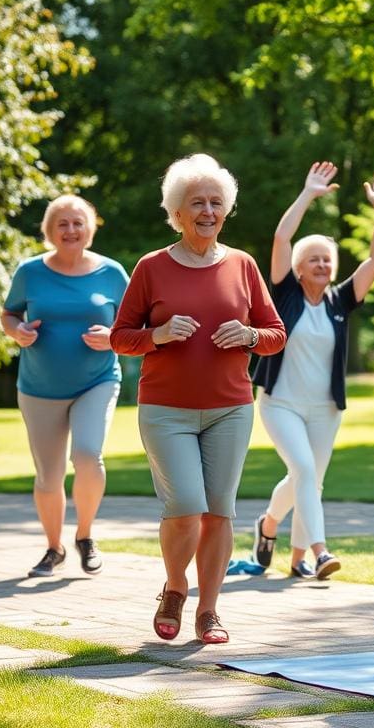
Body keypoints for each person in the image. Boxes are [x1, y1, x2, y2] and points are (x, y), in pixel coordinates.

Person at [110, 153, 285, 643]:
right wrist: (158, 334)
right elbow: (121, 336)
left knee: (218, 511)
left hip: (231, 407)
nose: (208, 211)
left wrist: (249, 335)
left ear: (225, 210)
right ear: (177, 212)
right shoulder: (151, 267)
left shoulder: (243, 265)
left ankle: (208, 611)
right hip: (166, 409)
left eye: (216, 202)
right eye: (197, 203)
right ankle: (173, 587)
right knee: (185, 504)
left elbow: (276, 334)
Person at [250, 162, 374, 579]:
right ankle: (319, 551)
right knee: (305, 471)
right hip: (280, 403)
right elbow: (281, 237)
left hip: (325, 409)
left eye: (327, 260)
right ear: (298, 268)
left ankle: (276, 535)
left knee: (307, 480)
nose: (322, 266)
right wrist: (308, 194)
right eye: (313, 260)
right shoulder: (285, 294)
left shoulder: (339, 301)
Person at [1, 195, 129, 578]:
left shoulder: (112, 273)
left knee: (89, 456)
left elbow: (131, 325)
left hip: (98, 380)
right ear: (49, 231)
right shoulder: (30, 272)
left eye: (78, 222)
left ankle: (85, 536)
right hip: (39, 387)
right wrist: (18, 332)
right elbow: (9, 314)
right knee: (48, 475)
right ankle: (54, 548)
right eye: (62, 224)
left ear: (90, 228)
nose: (71, 230)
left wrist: (112, 337)